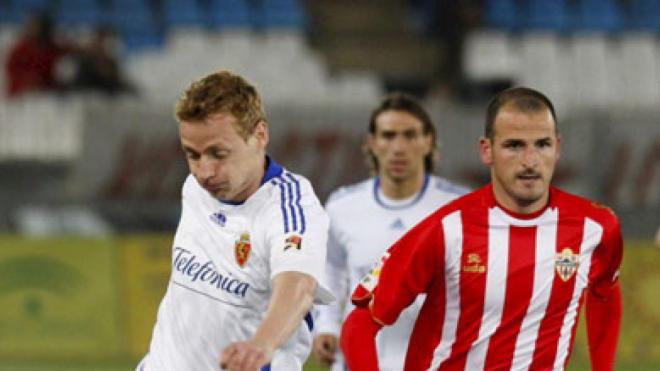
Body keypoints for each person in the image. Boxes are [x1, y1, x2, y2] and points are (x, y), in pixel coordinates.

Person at [340, 87, 623, 371]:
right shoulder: (446, 229)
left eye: (542, 144)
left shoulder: (596, 228)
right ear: (487, 151)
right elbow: (359, 325)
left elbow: (605, 292)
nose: (530, 160)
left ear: (558, 148)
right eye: (514, 145)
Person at [138, 70, 333, 371]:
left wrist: (262, 344)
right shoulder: (195, 189)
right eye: (192, 155)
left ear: (260, 135)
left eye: (218, 154)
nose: (205, 172)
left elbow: (298, 285)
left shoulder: (290, 208)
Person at [312, 92, 468, 371]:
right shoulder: (343, 206)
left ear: (428, 141)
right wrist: (326, 325)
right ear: (372, 143)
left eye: (409, 135)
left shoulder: (459, 208)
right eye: (388, 135)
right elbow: (331, 268)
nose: (398, 147)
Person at [5, 12, 70, 97]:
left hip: (49, 96)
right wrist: (28, 82)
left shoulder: (53, 48)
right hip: (23, 99)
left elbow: (68, 52)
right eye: (35, 27)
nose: (39, 30)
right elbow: (12, 73)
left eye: (42, 27)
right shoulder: (20, 50)